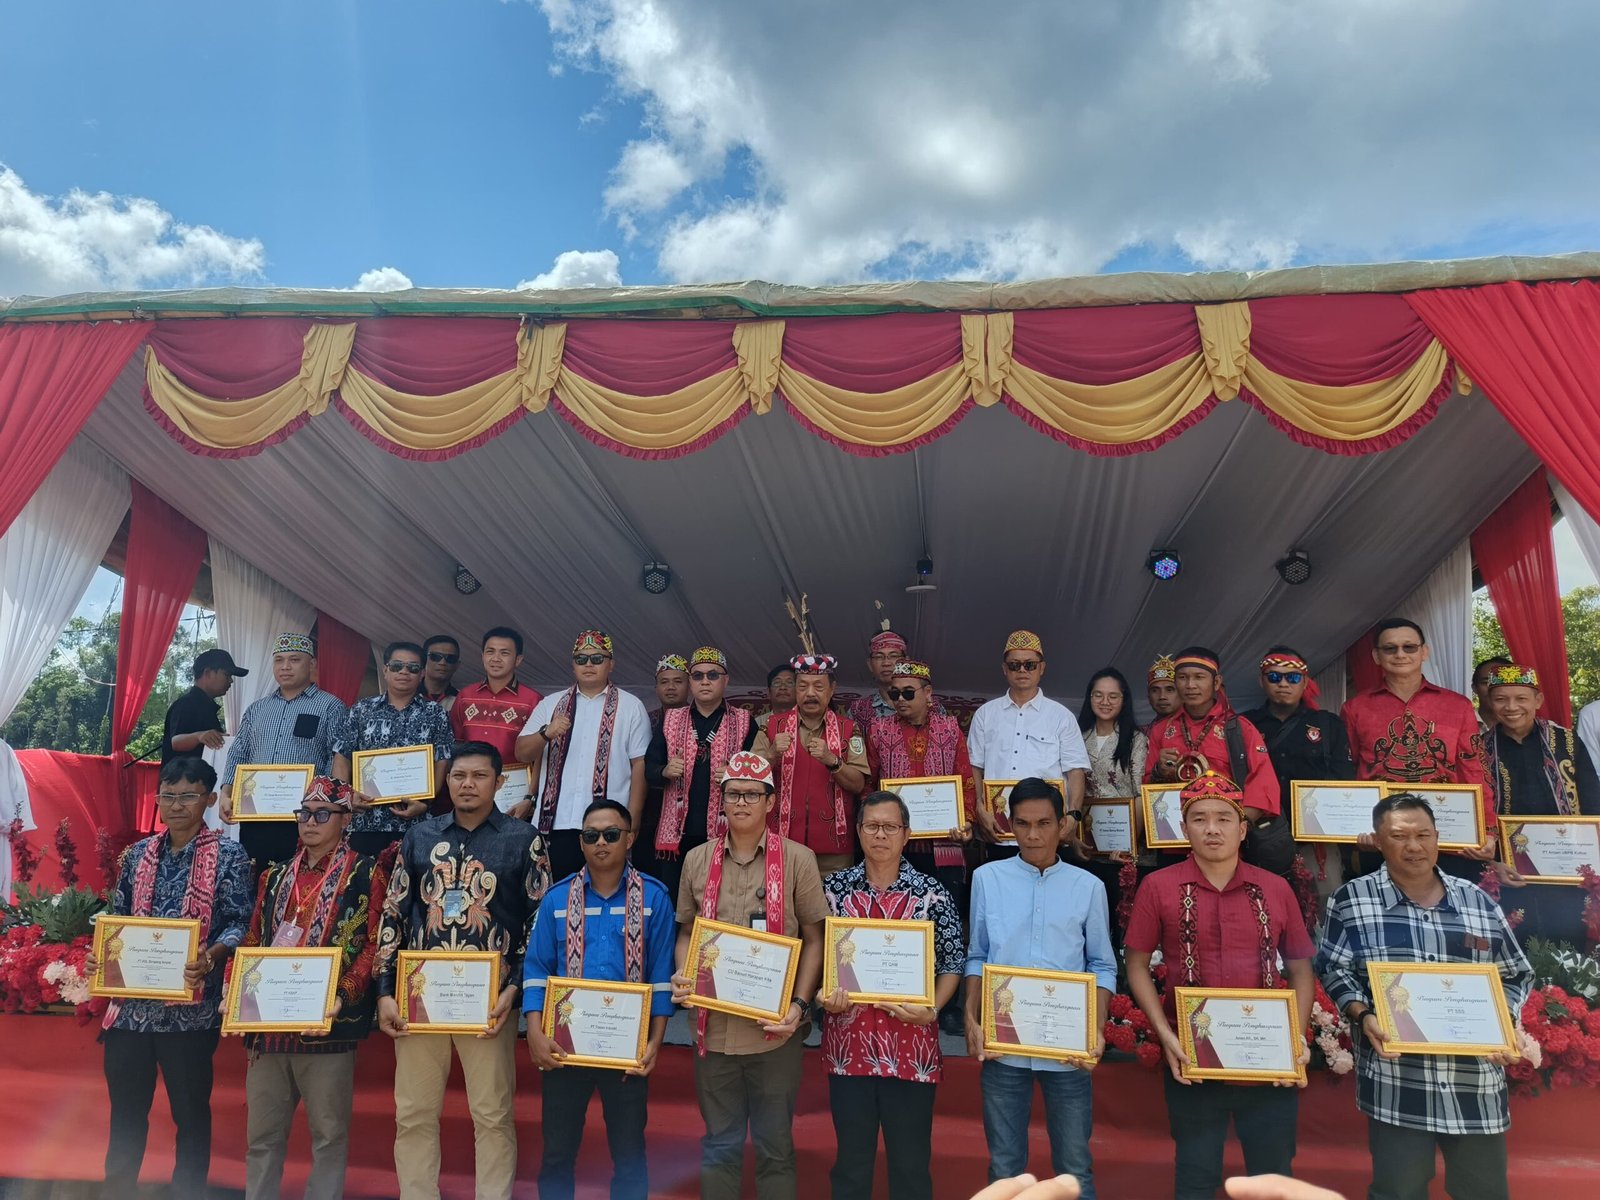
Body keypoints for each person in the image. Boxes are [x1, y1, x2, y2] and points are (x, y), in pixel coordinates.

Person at [1316, 793, 1533, 1200]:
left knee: (1484, 1193)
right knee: (1397, 1192)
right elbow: (1333, 968)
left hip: (1474, 1081)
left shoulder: (1477, 901)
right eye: (1399, 836)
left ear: (1437, 837)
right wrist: (1363, 1015)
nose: (1413, 846)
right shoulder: (1352, 900)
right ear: (1378, 841)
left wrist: (1500, 1021)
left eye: (1423, 835)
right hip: (1398, 1080)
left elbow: (1516, 973)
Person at [1124, 772, 1315, 1199]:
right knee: (1195, 1178)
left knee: (1274, 1181)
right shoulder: (1158, 887)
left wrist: (1296, 1037)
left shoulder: (1276, 888)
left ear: (1243, 829)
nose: (1212, 829)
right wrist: (1166, 1034)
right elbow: (1135, 964)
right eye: (1200, 819)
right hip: (1192, 1062)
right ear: (1184, 827)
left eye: (1224, 819)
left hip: (1268, 1065)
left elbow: (1301, 969)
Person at [374, 741, 552, 1200]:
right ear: (446, 781)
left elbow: (539, 922)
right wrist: (385, 990)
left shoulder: (524, 839)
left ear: (499, 781)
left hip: (490, 1001)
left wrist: (515, 988)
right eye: (458, 776)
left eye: (478, 776)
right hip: (419, 996)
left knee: (492, 1114)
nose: (467, 784)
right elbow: (394, 912)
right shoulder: (419, 836)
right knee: (413, 1112)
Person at [89, 757, 253, 1200]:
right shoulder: (138, 855)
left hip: (190, 1014)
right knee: (126, 1115)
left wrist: (211, 956)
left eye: (188, 795)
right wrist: (100, 957)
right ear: (158, 799)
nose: (177, 805)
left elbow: (240, 922)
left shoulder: (230, 856)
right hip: (130, 1014)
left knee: (190, 1115)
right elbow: (118, 917)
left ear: (209, 800)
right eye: (168, 795)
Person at [672, 751, 826, 1200]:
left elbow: (815, 939)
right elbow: (687, 932)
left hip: (773, 1034)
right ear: (721, 800)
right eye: (733, 794)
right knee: (719, 1145)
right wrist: (683, 972)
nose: (741, 802)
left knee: (774, 1147)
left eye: (752, 794)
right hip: (714, 1030)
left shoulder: (798, 859)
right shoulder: (696, 859)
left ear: (770, 802)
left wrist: (799, 1005)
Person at [238, 775, 388, 1200]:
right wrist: (237, 995)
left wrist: (343, 994)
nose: (309, 822)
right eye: (304, 813)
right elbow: (253, 940)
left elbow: (375, 943)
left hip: (328, 1027)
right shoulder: (275, 875)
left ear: (346, 819)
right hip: (268, 1031)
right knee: (261, 1139)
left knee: (329, 1138)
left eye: (323, 814)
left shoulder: (366, 872)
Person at [964, 778, 1116, 1195]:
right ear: (1009, 824)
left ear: (1063, 824)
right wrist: (971, 1018)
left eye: (1044, 823)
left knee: (1075, 1169)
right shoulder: (987, 879)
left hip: (1068, 1050)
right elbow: (977, 955)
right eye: (1023, 823)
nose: (1033, 835)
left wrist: (1096, 1028)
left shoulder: (1088, 887)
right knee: (1005, 1168)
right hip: (1004, 1046)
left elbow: (1102, 965)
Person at [524, 798, 676, 1200]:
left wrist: (656, 1042)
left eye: (611, 834)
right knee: (557, 1154)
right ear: (581, 842)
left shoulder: (654, 898)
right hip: (564, 1047)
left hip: (626, 1050)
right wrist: (535, 1033)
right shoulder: (556, 899)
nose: (601, 843)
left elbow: (661, 976)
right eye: (591, 836)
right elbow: (536, 971)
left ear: (630, 838)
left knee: (629, 1155)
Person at [818, 789, 965, 1200]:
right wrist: (820, 994)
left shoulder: (931, 894)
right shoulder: (833, 891)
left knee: (910, 1166)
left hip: (911, 1048)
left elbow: (952, 961)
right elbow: (816, 955)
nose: (880, 835)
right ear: (858, 831)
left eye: (889, 827)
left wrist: (933, 1009)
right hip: (849, 1047)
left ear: (906, 834)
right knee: (851, 1164)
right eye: (871, 826)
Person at [1341, 619, 1493, 877]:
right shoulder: (1355, 708)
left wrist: (1487, 829)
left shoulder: (1457, 706)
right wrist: (1353, 826)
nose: (1400, 654)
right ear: (1376, 656)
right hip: (1380, 835)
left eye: (1409, 647)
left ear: (1424, 652)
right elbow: (1349, 771)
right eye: (1390, 648)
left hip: (1446, 833)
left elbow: (1474, 768)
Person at [516, 629, 652, 883]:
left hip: (608, 828)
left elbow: (640, 764)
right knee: (554, 894)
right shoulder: (551, 704)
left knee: (605, 893)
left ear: (611, 664)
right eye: (581, 659)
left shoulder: (631, 705)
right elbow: (522, 752)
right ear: (573, 665)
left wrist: (632, 820)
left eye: (597, 658)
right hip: (555, 823)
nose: (589, 664)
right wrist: (546, 733)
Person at [1483, 663, 1599, 941]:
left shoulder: (1566, 742)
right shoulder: (1478, 748)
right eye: (1501, 699)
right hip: (1509, 872)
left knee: (1571, 943)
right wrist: (1492, 864)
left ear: (1538, 700)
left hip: (1569, 867)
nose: (1511, 707)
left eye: (1521, 698)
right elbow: (1477, 815)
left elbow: (1593, 800)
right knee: (1520, 942)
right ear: (1489, 702)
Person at [1146, 649, 1284, 877]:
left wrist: (1233, 830)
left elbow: (1264, 787)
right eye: (1183, 677)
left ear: (1217, 682)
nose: (1190, 685)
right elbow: (1147, 789)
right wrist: (1160, 771)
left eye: (1199, 677)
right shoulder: (1161, 730)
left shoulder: (1239, 728)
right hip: (1174, 842)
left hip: (1224, 844)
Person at [221, 633, 349, 868]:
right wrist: (226, 793)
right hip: (255, 813)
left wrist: (332, 807)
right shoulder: (257, 709)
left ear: (312, 664)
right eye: (279, 660)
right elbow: (239, 753)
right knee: (255, 874)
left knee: (299, 875)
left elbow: (337, 757)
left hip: (306, 816)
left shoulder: (331, 706)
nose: (285, 667)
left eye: (295, 660)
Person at [646, 645, 758, 903]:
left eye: (713, 675)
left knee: (722, 903)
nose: (705, 681)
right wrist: (665, 770)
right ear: (690, 682)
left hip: (726, 832)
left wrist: (737, 773)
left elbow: (760, 772)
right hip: (677, 836)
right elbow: (649, 768)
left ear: (725, 680)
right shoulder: (671, 719)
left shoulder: (744, 720)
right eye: (698, 676)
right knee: (677, 904)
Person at [1240, 646, 1354, 896]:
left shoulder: (1328, 724)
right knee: (1263, 903)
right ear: (1261, 681)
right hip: (1261, 837)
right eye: (1274, 677)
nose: (1283, 683)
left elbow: (1345, 778)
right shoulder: (1243, 725)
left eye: (1292, 677)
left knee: (1324, 903)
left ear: (1305, 682)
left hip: (1316, 840)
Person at [750, 654, 871, 877]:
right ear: (796, 689)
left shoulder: (849, 729)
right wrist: (772, 754)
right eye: (803, 686)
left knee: (832, 899)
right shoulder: (771, 727)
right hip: (781, 842)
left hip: (834, 849)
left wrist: (833, 761)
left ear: (832, 689)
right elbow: (750, 780)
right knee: (780, 897)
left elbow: (858, 784)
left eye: (818, 686)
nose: (810, 693)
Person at [966, 632, 1091, 847]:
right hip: (998, 830)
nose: (1022, 670)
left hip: (1047, 831)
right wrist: (978, 808)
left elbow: (1075, 771)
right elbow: (974, 767)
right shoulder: (985, 714)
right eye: (1014, 665)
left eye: (1030, 665)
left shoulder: (1061, 716)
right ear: (1004, 669)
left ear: (1042, 668)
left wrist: (1073, 815)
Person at [331, 641, 454, 855]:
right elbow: (342, 757)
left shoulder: (436, 714)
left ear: (422, 674)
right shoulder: (361, 710)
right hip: (366, 822)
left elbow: (441, 761)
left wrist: (426, 801)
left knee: (410, 877)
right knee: (364, 877)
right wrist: (347, 796)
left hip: (416, 824)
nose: (404, 672)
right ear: (385, 670)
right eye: (397, 666)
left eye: (412, 668)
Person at [1075, 668, 1151, 929]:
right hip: (1084, 842)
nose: (1105, 702)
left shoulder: (1136, 739)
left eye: (1113, 696)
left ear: (1124, 699)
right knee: (1086, 919)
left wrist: (1128, 842)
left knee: (1121, 918)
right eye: (1098, 695)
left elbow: (1140, 793)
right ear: (1089, 698)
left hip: (1123, 843)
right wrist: (1072, 838)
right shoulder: (1076, 736)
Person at [449, 627, 542, 818]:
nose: (496, 658)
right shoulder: (465, 697)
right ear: (482, 656)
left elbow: (541, 756)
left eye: (504, 653)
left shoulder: (533, 701)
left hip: (514, 797)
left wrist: (530, 797)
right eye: (490, 651)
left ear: (518, 660)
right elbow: (455, 747)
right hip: (470, 793)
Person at [637, 653, 691, 873]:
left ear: (689, 685)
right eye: (664, 682)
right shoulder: (645, 720)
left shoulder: (699, 720)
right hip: (647, 808)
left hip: (686, 811)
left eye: (678, 681)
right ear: (656, 687)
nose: (671, 687)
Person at [162, 648, 248, 766]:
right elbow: (175, 742)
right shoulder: (186, 704)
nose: (231, 680)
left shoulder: (206, 707)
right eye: (227, 674)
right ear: (207, 673)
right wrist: (199, 736)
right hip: (181, 777)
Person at [848, 629, 910, 729]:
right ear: (870, 665)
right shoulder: (857, 711)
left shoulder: (928, 707)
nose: (886, 663)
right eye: (879, 657)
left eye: (893, 656)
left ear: (906, 662)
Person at [418, 634, 461, 711]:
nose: (442, 662)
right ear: (423, 660)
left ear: (457, 665)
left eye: (450, 658)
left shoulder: (463, 700)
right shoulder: (406, 696)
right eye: (436, 657)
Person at [1472, 656, 1513, 732]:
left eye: (1503, 682)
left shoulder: (1531, 730)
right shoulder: (1459, 725)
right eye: (1486, 682)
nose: (1495, 689)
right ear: (1474, 688)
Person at [756, 662, 798, 732]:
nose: (783, 687)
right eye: (777, 683)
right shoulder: (758, 723)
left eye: (789, 682)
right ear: (769, 692)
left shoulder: (807, 722)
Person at [1146, 654, 1180, 732]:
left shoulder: (1196, 730)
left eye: (1169, 690)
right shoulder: (1140, 735)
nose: (1162, 696)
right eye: (1155, 690)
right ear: (1148, 697)